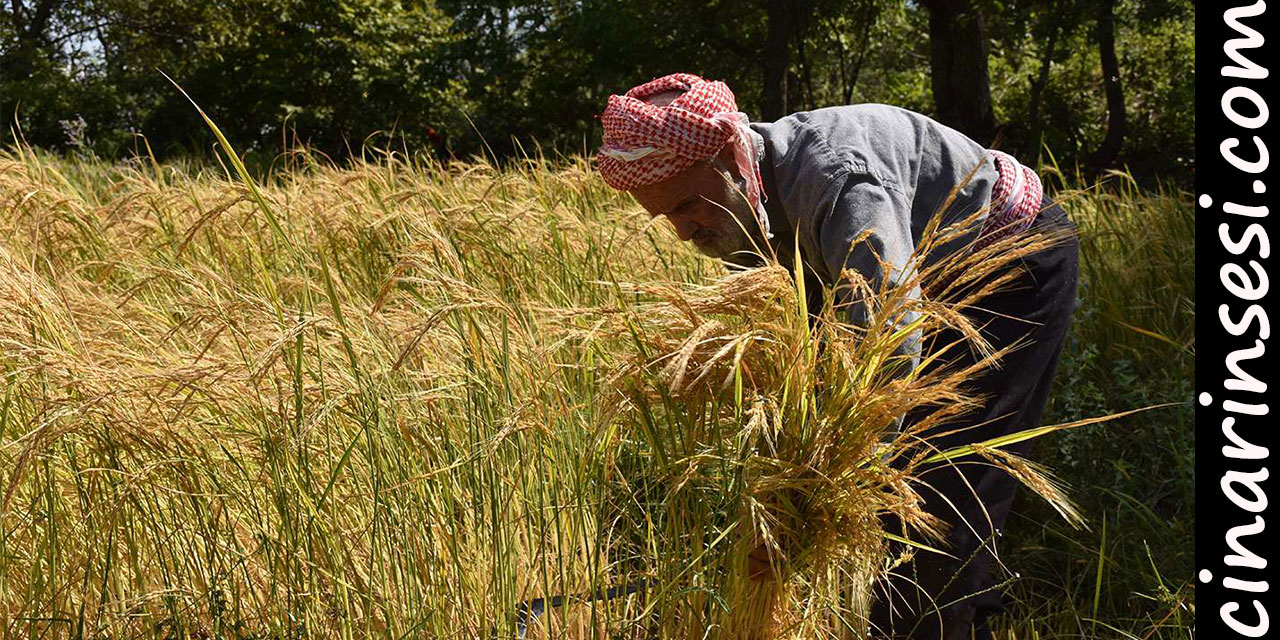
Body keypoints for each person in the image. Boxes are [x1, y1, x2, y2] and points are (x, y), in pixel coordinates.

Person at [593, 73, 1079, 640]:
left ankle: (938, 618)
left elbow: (890, 336)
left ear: (730, 156)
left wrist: (826, 484)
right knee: (903, 501)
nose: (681, 231)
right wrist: (783, 492)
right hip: (916, 287)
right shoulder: (736, 211)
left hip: (1007, 266)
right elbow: (807, 348)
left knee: (943, 497)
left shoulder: (839, 180)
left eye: (684, 205)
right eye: (664, 217)